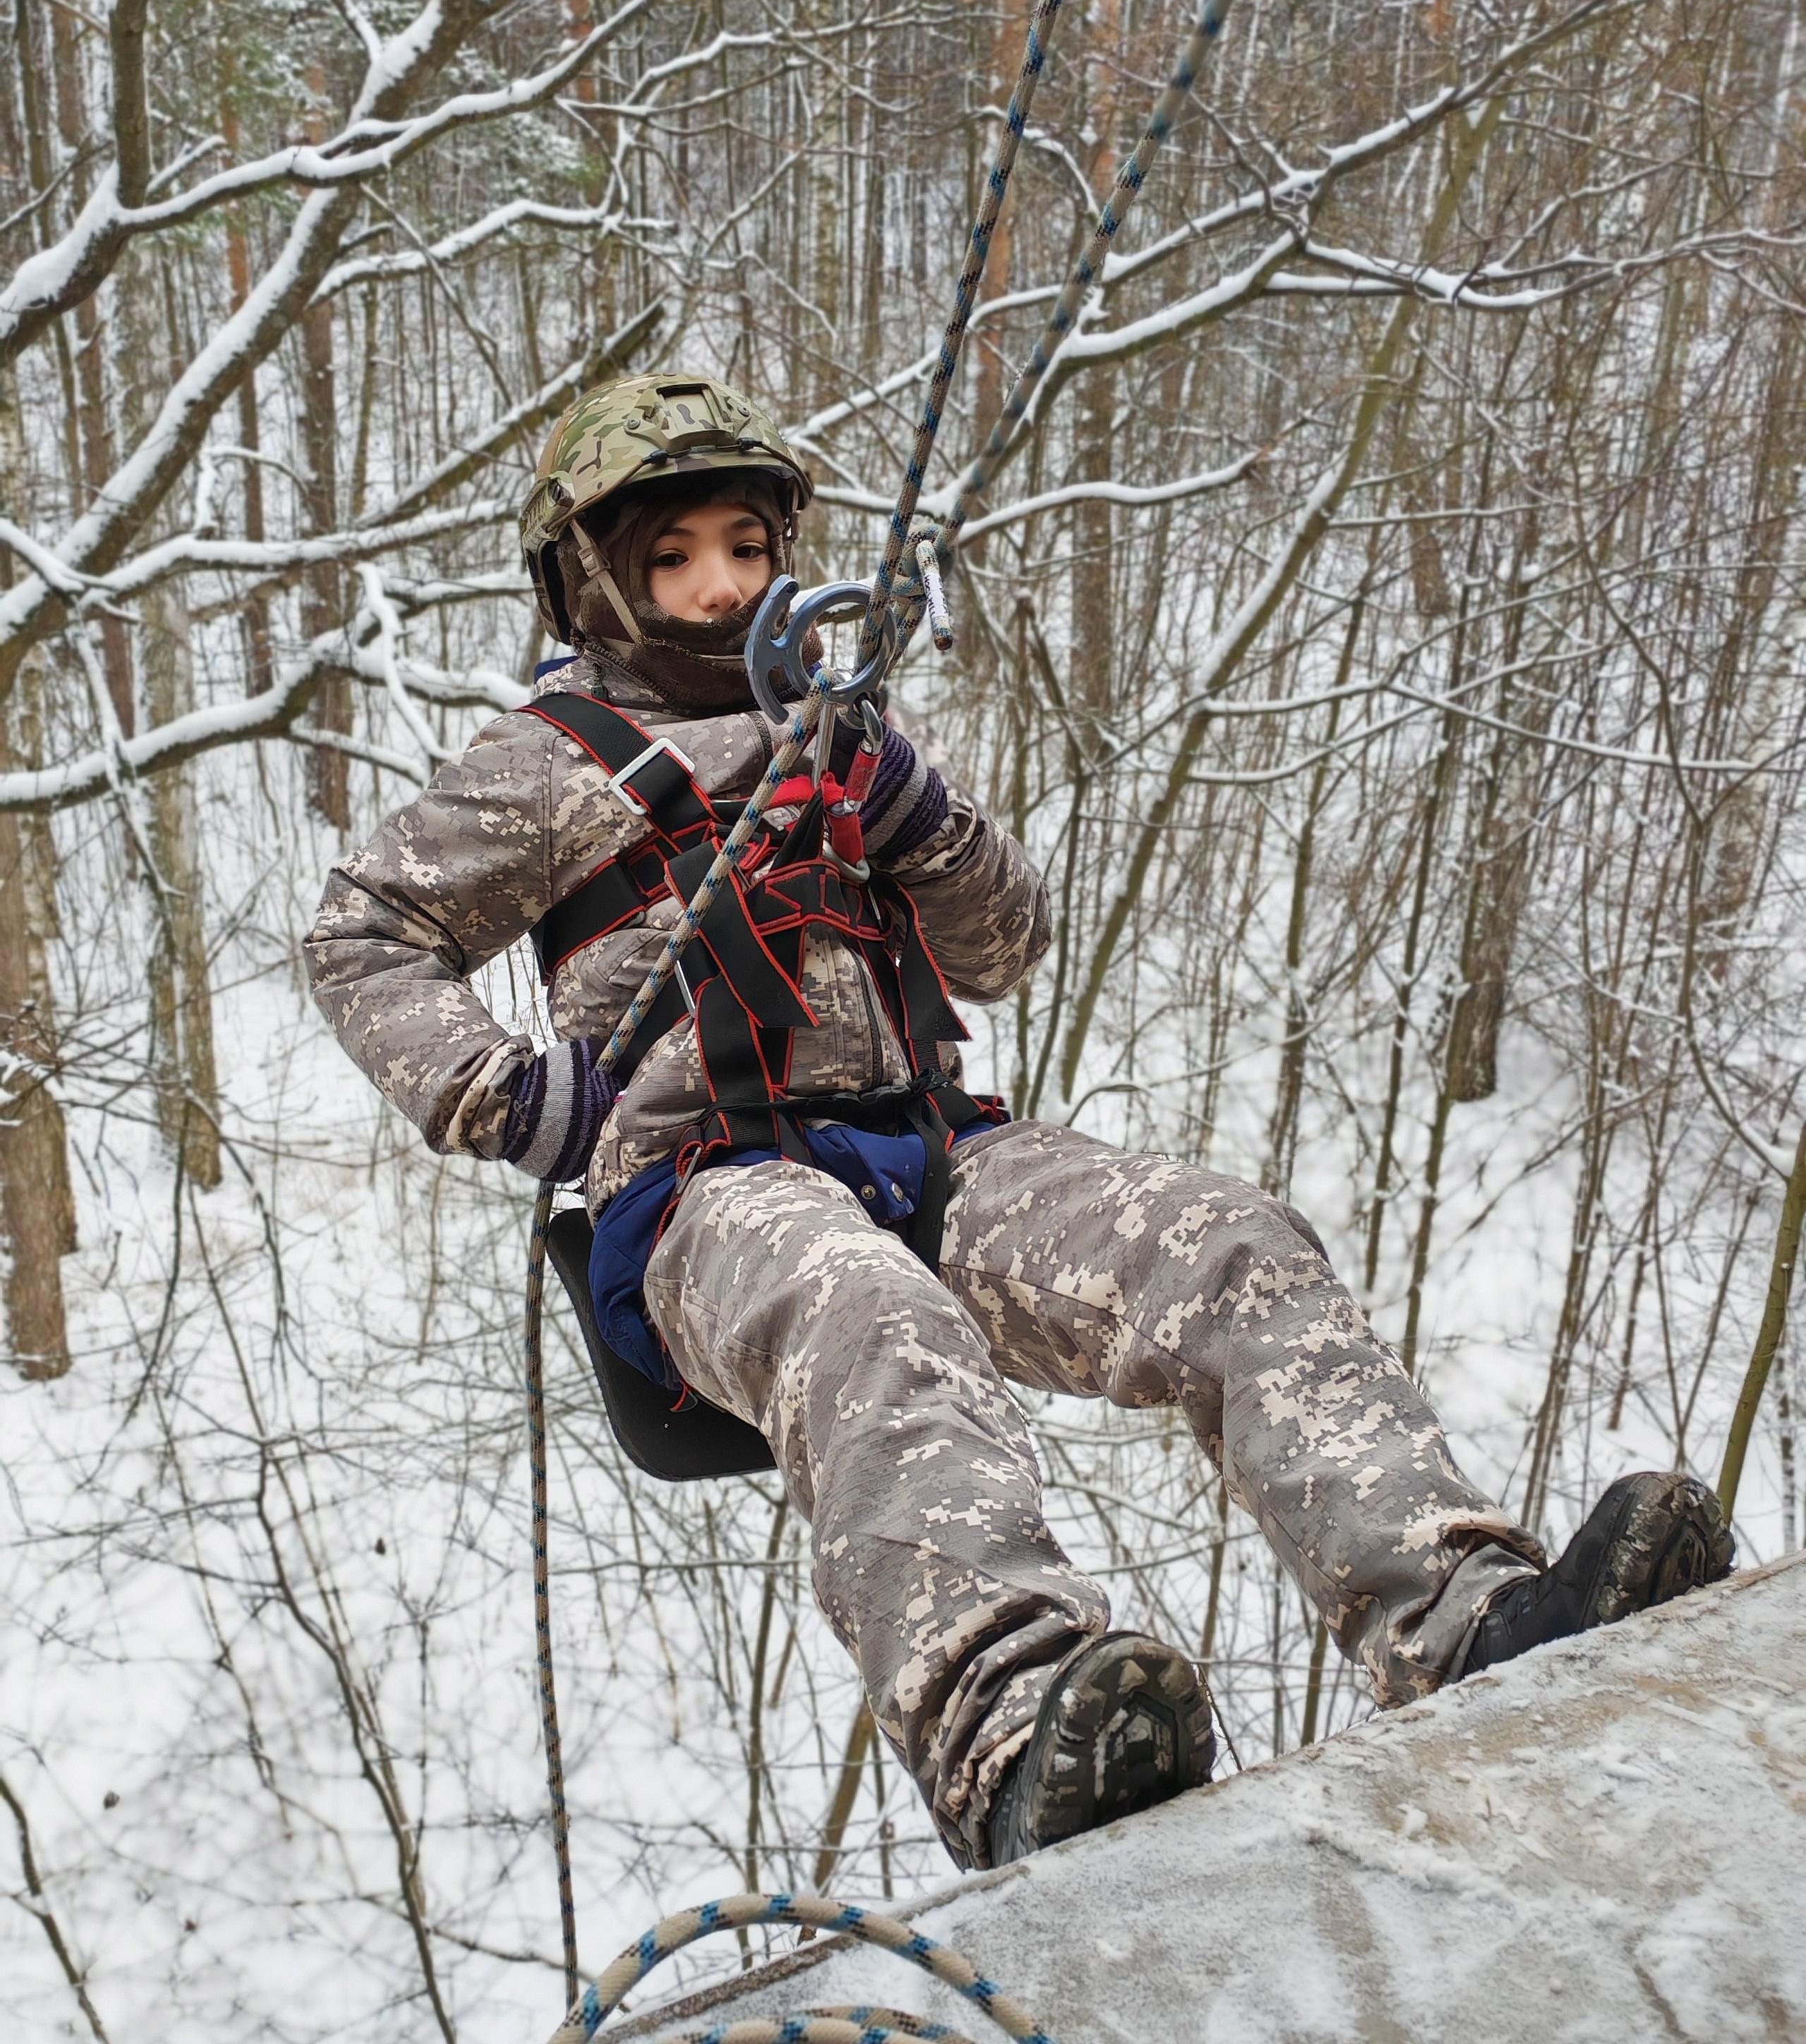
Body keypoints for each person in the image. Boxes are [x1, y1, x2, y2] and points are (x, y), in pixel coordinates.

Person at [306, 372, 1733, 1873]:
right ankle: (1010, 1727)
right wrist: (512, 1096)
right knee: (863, 1308)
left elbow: (998, 950)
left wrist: (921, 819)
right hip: (703, 1193)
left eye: (745, 544)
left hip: (925, 1149)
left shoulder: (841, 724)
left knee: (1224, 1241)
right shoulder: (546, 762)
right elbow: (362, 936)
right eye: (672, 558)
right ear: (593, 581)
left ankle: (1464, 1619)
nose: (720, 585)